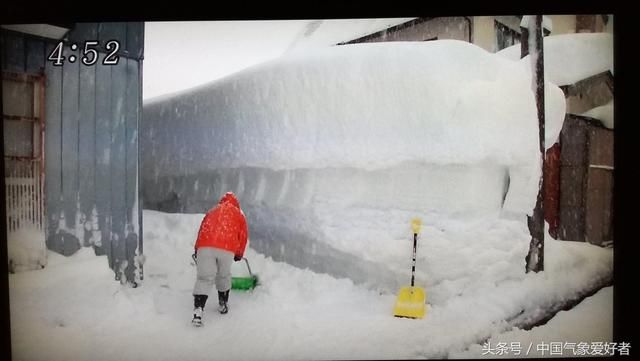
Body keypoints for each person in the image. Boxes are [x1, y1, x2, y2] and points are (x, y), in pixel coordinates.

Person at [191, 192, 248, 326]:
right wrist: (238, 254)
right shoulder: (239, 215)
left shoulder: (212, 211)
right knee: (223, 276)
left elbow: (202, 230)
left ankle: (198, 311)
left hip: (205, 247)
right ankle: (223, 304)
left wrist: (197, 249)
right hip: (226, 248)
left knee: (204, 278)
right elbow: (243, 236)